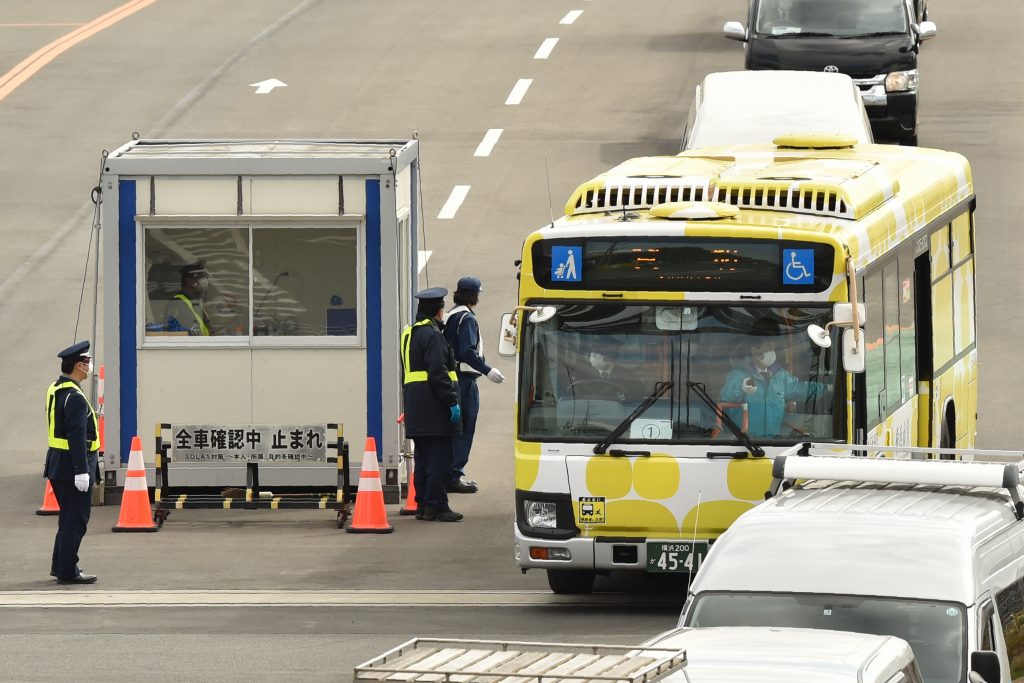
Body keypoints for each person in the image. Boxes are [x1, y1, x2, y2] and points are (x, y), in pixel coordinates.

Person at [400, 287, 463, 522]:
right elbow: (438, 373)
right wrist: (452, 401)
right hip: (435, 407)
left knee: (423, 458)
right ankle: (437, 506)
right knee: (439, 459)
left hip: (416, 406)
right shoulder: (433, 336)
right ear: (439, 311)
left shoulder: (409, 334)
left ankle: (423, 505)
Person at [44, 341, 100, 584]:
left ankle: (60, 565)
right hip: (72, 466)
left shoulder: (56, 388)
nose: (90, 366)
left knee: (67, 518)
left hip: (58, 464)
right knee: (76, 520)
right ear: (79, 365)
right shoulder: (75, 397)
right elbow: (76, 435)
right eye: (87, 362)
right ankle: (68, 571)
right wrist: (82, 471)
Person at [443, 276, 504, 494]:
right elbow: (467, 351)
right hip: (465, 381)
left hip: (451, 378)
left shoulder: (451, 314)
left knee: (452, 429)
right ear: (473, 296)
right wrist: (487, 370)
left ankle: (447, 473)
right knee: (465, 428)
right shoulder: (467, 318)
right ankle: (454, 475)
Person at [720, 336, 828, 437]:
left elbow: (801, 389)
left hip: (773, 443)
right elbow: (725, 397)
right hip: (743, 443)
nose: (772, 352)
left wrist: (828, 388)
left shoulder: (780, 376)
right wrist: (741, 388)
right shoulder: (739, 374)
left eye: (773, 348)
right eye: (768, 347)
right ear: (755, 350)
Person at [165, 263, 213, 335]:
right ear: (190, 282)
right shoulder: (177, 303)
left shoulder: (195, 302)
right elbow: (181, 335)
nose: (205, 283)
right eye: (202, 278)